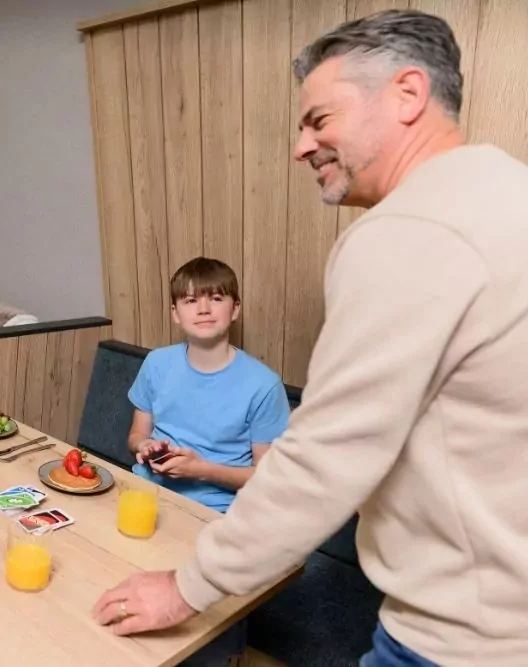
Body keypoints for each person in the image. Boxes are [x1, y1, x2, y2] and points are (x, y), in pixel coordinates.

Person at [93, 10, 528, 667]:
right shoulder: (506, 194)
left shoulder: (411, 232)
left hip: (463, 642)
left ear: (408, 94)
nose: (301, 146)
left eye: (320, 119)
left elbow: (324, 457)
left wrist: (187, 587)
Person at [128, 257, 290, 515]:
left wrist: (202, 471)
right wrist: (144, 446)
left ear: (235, 309)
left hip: (215, 511)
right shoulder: (157, 363)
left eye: (216, 298)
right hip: (144, 493)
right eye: (190, 301)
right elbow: (136, 435)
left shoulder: (264, 385)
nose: (203, 309)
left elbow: (268, 478)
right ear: (175, 313)